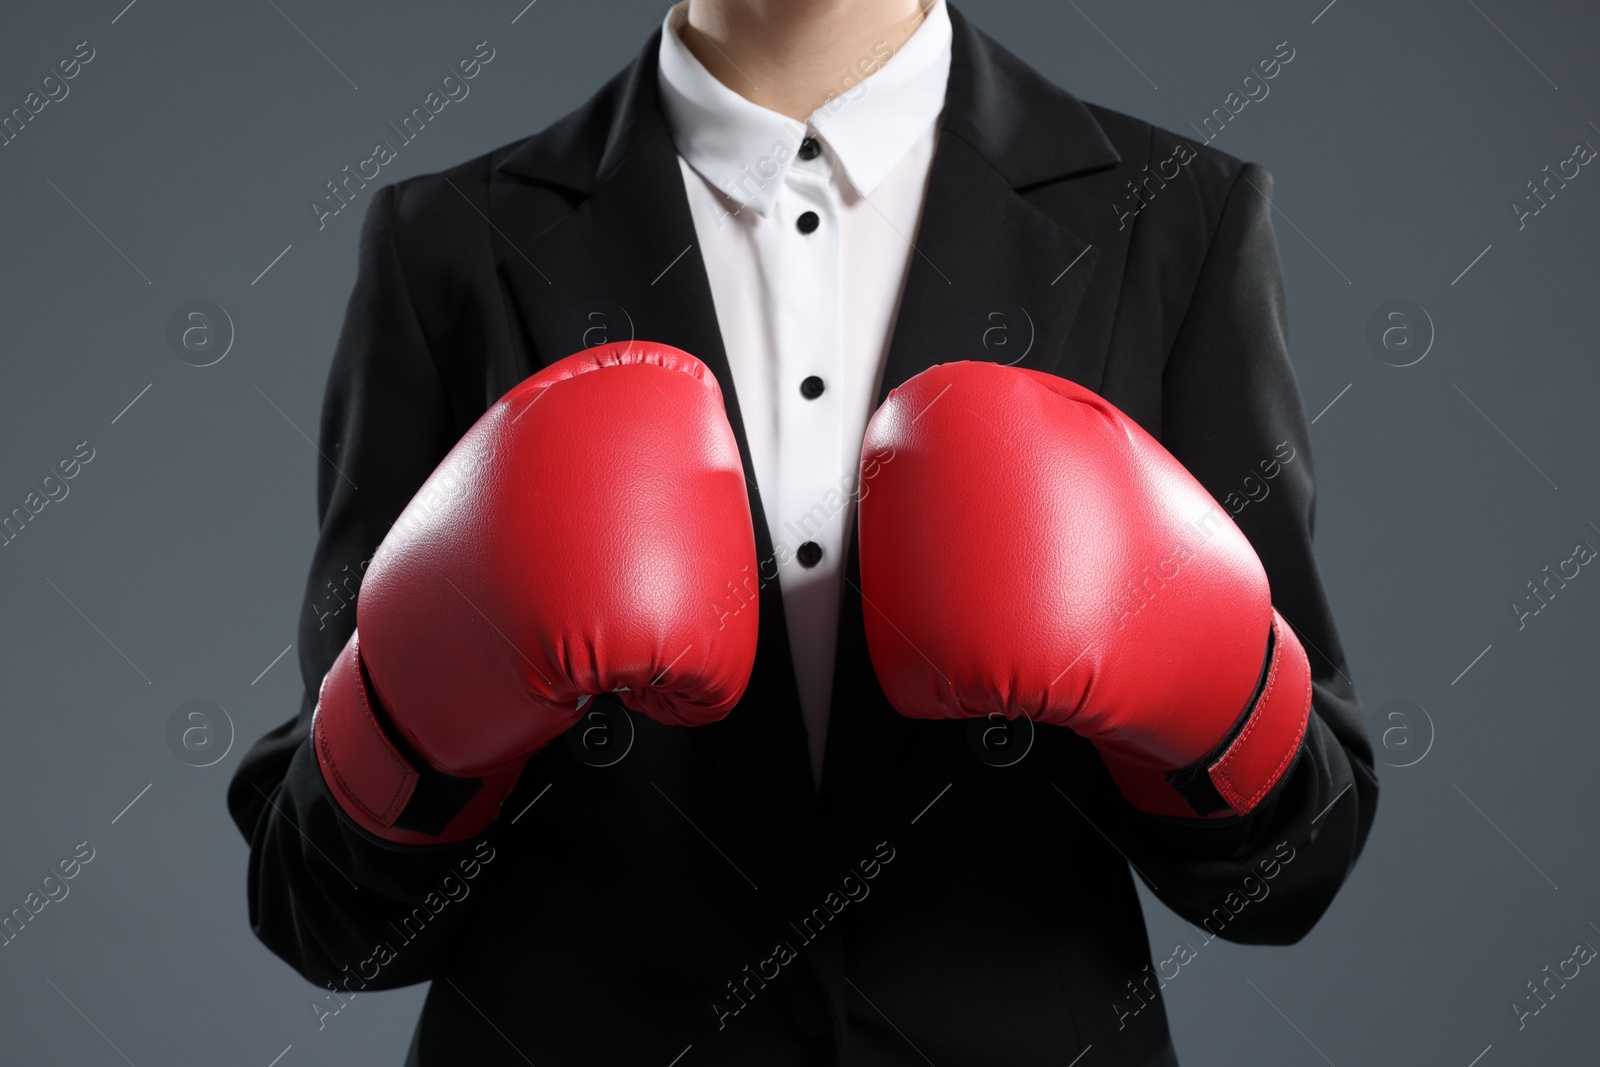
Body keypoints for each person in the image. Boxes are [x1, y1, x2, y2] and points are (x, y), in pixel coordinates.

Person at [228, 1, 1377, 1063]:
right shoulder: (450, 242)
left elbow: (1292, 871)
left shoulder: (1174, 214)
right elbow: (327, 916)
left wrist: (1199, 686)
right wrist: (419, 720)